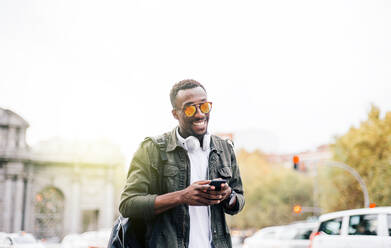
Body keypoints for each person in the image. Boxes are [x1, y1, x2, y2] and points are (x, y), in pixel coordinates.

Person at [119, 79, 245, 248]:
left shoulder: (224, 149)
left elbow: (238, 199)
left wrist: (228, 195)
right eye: (190, 108)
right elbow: (128, 204)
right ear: (175, 114)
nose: (200, 114)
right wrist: (181, 196)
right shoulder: (151, 149)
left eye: (204, 106)